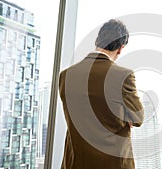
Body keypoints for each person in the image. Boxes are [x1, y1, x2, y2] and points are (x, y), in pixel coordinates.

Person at [59, 19, 144, 169]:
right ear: (120, 48)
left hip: (75, 163)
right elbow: (137, 118)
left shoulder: (66, 75)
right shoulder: (123, 76)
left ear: (98, 40)